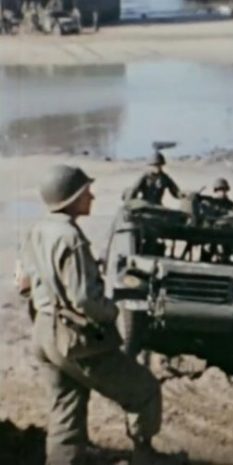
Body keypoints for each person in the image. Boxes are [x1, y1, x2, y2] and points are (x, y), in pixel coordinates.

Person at [16, 165, 182, 465]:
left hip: (44, 332)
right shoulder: (70, 238)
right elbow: (83, 299)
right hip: (74, 337)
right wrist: (110, 312)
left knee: (66, 406)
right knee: (144, 390)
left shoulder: (37, 230)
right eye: (85, 192)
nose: (91, 196)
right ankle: (145, 456)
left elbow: (24, 282)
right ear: (70, 199)